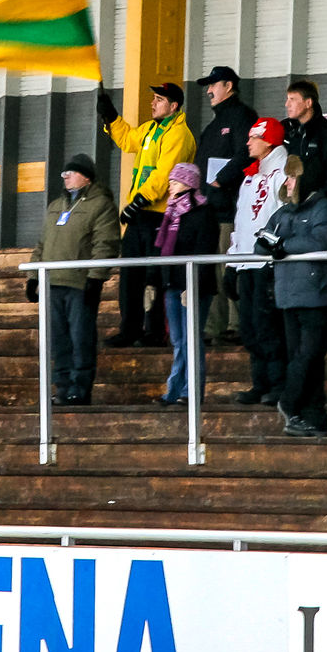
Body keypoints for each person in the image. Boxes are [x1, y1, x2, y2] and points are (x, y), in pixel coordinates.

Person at [96, 81, 197, 347]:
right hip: (142, 213)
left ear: (174, 106)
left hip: (160, 214)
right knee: (131, 274)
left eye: (159, 99)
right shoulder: (151, 129)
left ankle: (154, 331)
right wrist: (111, 117)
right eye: (154, 98)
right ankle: (130, 329)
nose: (153, 103)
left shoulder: (178, 134)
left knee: (154, 275)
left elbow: (165, 173)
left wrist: (139, 200)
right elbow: (128, 139)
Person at [257, 157, 327, 438]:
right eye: (287, 177)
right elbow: (261, 244)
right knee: (306, 358)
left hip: (316, 296)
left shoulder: (325, 209)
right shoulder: (283, 212)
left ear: (307, 180)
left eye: (292, 177)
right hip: (287, 296)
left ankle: (289, 401)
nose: (287, 182)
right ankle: (311, 418)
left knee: (308, 355)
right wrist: (273, 244)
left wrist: (284, 245)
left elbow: (325, 240)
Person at [26, 154, 120, 406]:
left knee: (81, 338)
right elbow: (42, 244)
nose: (65, 177)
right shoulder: (55, 206)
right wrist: (33, 276)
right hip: (53, 283)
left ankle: (80, 389)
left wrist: (96, 278)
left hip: (80, 284)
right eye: (64, 173)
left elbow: (106, 243)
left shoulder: (101, 205)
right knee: (59, 341)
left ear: (86, 177)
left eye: (71, 172)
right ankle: (63, 387)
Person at [226, 117, 289, 406]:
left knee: (268, 328)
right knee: (249, 329)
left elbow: (283, 216)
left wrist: (273, 251)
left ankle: (278, 384)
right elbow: (241, 222)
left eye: (254, 137)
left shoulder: (282, 172)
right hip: (246, 263)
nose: (248, 142)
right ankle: (260, 383)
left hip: (267, 263)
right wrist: (232, 262)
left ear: (269, 141)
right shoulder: (250, 175)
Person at [194, 65, 257, 347]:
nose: (209, 91)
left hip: (231, 210)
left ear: (228, 86)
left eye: (213, 85)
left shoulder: (243, 116)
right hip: (209, 211)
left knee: (230, 267)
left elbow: (247, 153)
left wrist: (223, 178)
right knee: (211, 271)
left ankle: (235, 326)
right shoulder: (212, 127)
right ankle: (214, 327)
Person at [154, 163, 219, 406]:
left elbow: (205, 250)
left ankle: (190, 391)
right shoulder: (170, 212)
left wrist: (194, 285)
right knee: (178, 340)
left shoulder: (204, 213)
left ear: (188, 184)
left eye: (175, 182)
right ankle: (174, 391)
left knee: (191, 338)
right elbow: (163, 250)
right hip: (173, 284)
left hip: (193, 285)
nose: (170, 186)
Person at [281, 79, 327, 207]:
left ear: (308, 103)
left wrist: (317, 202)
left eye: (292, 99)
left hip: (315, 208)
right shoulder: (284, 129)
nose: (287, 104)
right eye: (287, 99)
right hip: (283, 206)